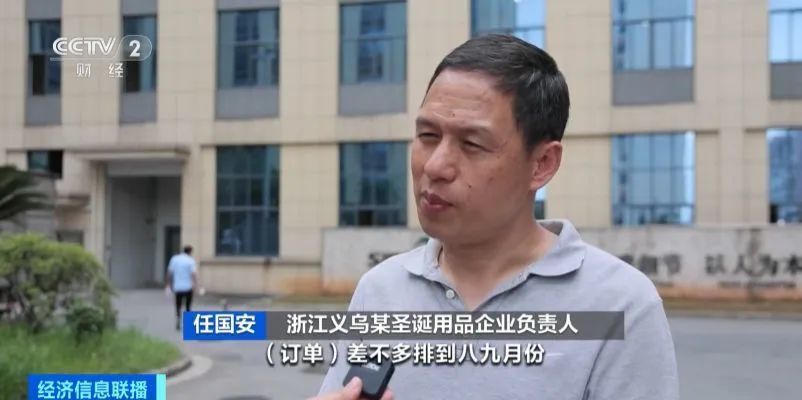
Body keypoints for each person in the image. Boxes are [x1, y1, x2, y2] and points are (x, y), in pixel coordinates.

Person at [313, 34, 679, 400]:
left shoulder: (620, 305)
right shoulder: (380, 290)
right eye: (427, 135)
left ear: (542, 164)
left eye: (472, 144)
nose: (435, 166)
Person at [166, 245, 202, 331]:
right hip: (188, 287)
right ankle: (188, 323)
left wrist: (168, 284)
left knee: (178, 304)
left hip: (177, 287)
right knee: (188, 305)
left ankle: (178, 318)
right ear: (190, 252)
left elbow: (169, 272)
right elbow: (193, 274)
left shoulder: (174, 259)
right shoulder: (190, 260)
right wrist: (197, 285)